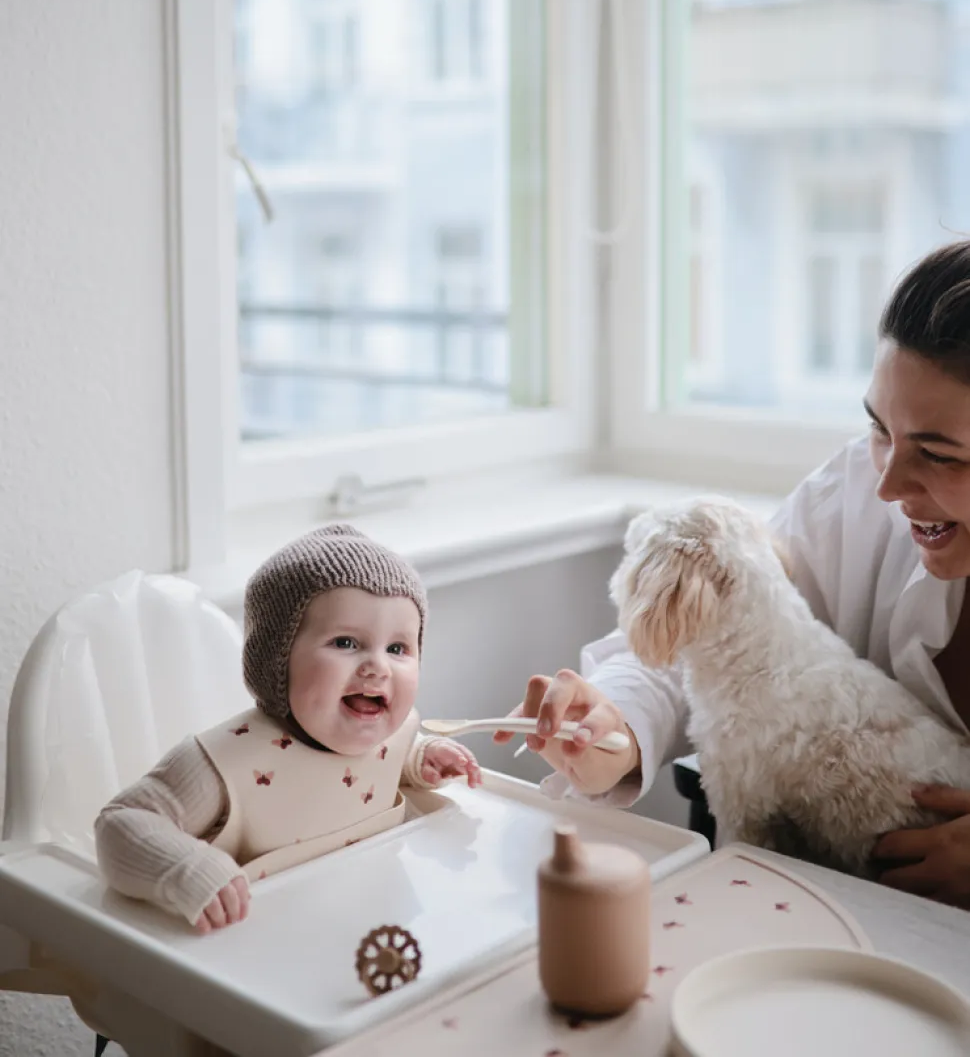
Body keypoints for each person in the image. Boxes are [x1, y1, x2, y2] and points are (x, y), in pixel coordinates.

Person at [497, 239, 970, 909]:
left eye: (941, 455)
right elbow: (723, 630)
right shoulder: (853, 493)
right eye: (879, 430)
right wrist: (614, 723)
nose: (888, 486)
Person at [96, 524, 481, 932]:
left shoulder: (396, 736)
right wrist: (186, 868)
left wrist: (419, 760)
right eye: (346, 643)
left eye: (397, 648)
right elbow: (121, 822)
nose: (378, 666)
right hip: (260, 946)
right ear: (276, 661)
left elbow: (372, 766)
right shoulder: (225, 765)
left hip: (369, 928)